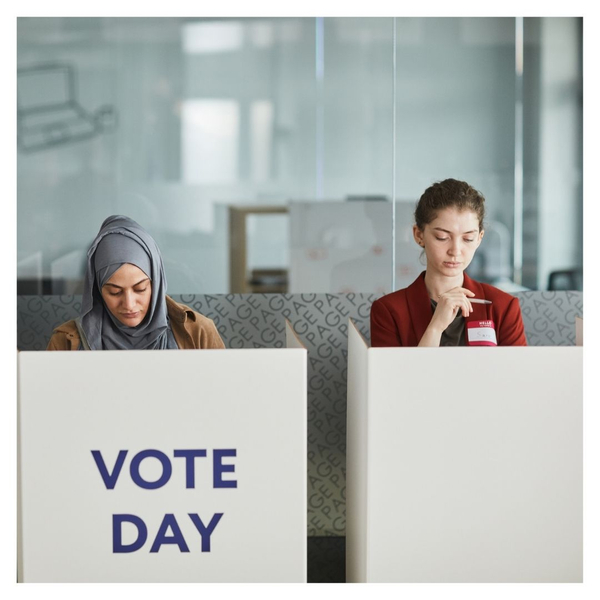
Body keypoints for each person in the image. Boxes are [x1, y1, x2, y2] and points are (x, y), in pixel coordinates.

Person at [370, 179, 527, 347]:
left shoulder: (502, 306)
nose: (455, 250)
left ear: (479, 238)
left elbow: (518, 372)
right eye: (442, 237)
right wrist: (435, 328)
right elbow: (395, 374)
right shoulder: (389, 311)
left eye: (468, 238)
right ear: (418, 235)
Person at [47, 215, 225, 350]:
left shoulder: (198, 333)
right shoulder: (66, 342)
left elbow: (224, 395)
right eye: (115, 292)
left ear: (156, 284)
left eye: (140, 289)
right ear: (98, 290)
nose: (129, 304)